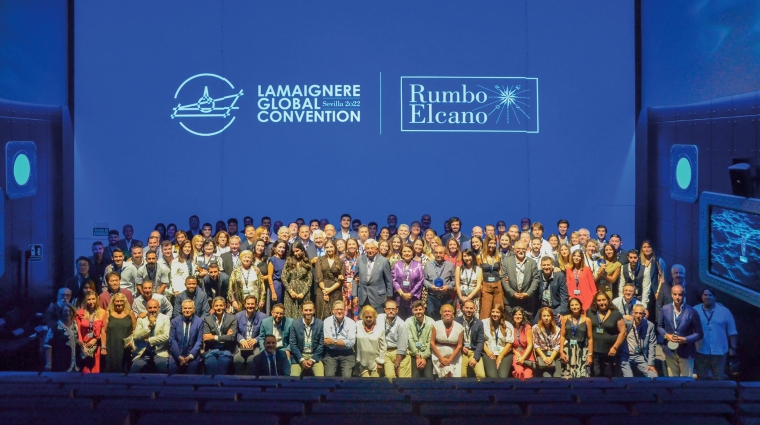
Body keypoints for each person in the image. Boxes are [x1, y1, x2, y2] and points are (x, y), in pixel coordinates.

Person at [658, 284, 703, 377]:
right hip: (670, 351)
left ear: (684, 295)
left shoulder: (691, 311)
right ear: (671, 295)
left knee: (686, 382)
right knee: (672, 381)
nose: (677, 297)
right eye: (675, 294)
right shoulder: (665, 309)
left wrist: (686, 339)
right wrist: (666, 335)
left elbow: (699, 333)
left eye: (680, 294)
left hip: (686, 352)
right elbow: (659, 326)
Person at [695, 288, 738, 379]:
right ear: (702, 297)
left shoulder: (725, 311)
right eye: (705, 295)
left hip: (720, 351)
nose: (707, 297)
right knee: (701, 378)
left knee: (718, 378)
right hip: (701, 350)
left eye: (710, 295)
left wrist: (733, 348)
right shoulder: (695, 310)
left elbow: (732, 332)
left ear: (715, 297)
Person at [588, 291, 626, 377]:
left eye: (604, 300)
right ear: (595, 302)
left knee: (608, 376)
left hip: (610, 351)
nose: (602, 303)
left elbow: (623, 332)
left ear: (608, 300)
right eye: (599, 300)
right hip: (595, 351)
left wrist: (615, 348)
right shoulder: (590, 312)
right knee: (596, 375)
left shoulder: (616, 314)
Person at [130, 298, 171, 373]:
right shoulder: (141, 319)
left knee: (163, 369)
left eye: (155, 307)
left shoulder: (165, 318)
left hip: (160, 352)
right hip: (142, 352)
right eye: (150, 308)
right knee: (134, 371)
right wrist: (149, 326)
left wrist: (149, 340)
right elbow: (135, 336)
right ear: (146, 308)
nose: (152, 310)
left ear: (159, 308)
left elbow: (166, 336)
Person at [501, 241, 540, 318]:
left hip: (527, 301)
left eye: (523, 249)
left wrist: (528, 293)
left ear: (527, 249)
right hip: (510, 300)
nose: (521, 251)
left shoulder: (532, 262)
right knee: (511, 326)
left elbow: (536, 279)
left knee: (526, 326)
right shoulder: (506, 262)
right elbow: (503, 278)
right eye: (518, 248)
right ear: (514, 250)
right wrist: (512, 293)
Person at [620, 304, 658, 378]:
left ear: (644, 314)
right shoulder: (626, 323)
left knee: (653, 375)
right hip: (625, 355)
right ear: (633, 313)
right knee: (629, 378)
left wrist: (651, 364)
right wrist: (623, 316)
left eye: (640, 313)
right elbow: (615, 318)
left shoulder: (649, 326)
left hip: (639, 356)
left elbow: (652, 345)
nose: (638, 315)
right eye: (636, 313)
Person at [354, 239, 393, 312]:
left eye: (372, 248)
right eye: (367, 248)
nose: (370, 250)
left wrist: (389, 297)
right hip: (363, 297)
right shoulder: (360, 260)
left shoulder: (383, 261)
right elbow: (355, 278)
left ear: (376, 249)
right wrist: (355, 296)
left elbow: (389, 281)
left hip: (378, 298)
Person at [101, 292, 136, 373]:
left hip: (126, 348)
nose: (119, 303)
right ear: (113, 302)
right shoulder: (108, 313)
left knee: (125, 370)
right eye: (117, 301)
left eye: (121, 301)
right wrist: (103, 347)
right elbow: (103, 331)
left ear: (124, 302)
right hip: (111, 347)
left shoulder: (130, 313)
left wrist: (132, 341)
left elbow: (134, 329)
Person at [202, 297, 238, 375]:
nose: (219, 308)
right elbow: (206, 338)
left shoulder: (232, 318)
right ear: (213, 306)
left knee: (222, 367)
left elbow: (231, 338)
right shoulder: (207, 319)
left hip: (227, 350)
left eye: (221, 305)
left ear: (225, 306)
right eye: (216, 306)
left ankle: (220, 386)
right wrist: (225, 336)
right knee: (210, 366)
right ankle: (212, 386)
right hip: (211, 350)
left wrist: (213, 337)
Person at [289, 301, 325, 377]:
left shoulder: (320, 324)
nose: (308, 312)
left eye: (310, 310)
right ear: (302, 311)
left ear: (314, 311)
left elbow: (321, 344)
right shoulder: (295, 324)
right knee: (293, 379)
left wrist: (312, 360)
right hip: (299, 356)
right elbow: (293, 344)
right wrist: (301, 360)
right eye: (306, 310)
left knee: (321, 379)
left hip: (315, 357)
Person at [233, 295, 267, 375]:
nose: (250, 306)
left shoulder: (263, 317)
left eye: (252, 304)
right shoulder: (237, 316)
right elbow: (235, 332)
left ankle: (252, 382)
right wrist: (242, 340)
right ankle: (239, 382)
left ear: (256, 305)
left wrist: (255, 340)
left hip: (256, 346)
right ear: (244, 305)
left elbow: (265, 333)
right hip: (241, 345)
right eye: (248, 304)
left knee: (252, 360)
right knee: (238, 359)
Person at [559, 298, 593, 378]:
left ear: (580, 306)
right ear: (569, 307)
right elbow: (562, 336)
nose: (574, 307)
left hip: (582, 349)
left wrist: (590, 355)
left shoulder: (587, 320)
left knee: (582, 375)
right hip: (568, 349)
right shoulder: (565, 318)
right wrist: (561, 351)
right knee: (567, 375)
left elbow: (590, 338)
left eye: (576, 304)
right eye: (572, 305)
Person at [169, 299, 204, 374]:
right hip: (177, 354)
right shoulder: (174, 321)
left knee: (192, 371)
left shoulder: (199, 322)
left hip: (192, 354)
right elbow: (172, 340)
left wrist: (191, 356)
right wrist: (179, 356)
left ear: (194, 309)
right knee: (172, 370)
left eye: (189, 308)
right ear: (182, 309)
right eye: (185, 308)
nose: (187, 310)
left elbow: (199, 341)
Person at [323, 300, 356, 378]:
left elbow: (351, 343)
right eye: (337, 309)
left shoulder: (351, 323)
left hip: (347, 354)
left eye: (341, 309)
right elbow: (327, 342)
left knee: (347, 378)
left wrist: (334, 342)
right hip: (331, 354)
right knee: (329, 377)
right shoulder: (327, 321)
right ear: (333, 311)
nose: (339, 311)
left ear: (345, 310)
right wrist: (343, 342)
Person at [257, 303, 293, 376]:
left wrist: (288, 349)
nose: (279, 316)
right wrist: (264, 350)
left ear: (284, 314)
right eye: (277, 313)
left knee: (287, 365)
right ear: (272, 312)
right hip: (268, 347)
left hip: (283, 348)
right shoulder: (265, 322)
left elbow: (292, 339)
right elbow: (261, 338)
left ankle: (284, 384)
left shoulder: (290, 322)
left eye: (281, 314)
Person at [378, 300, 411, 378]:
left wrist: (397, 364)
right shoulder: (379, 318)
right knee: (390, 377)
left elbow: (402, 346)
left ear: (397, 310)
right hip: (386, 352)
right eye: (388, 309)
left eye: (393, 309)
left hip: (400, 353)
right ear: (385, 310)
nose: (391, 311)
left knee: (404, 380)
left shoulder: (401, 324)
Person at [454, 300, 485, 378]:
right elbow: (453, 338)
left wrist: (476, 358)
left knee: (481, 375)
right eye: (467, 308)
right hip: (461, 352)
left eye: (471, 308)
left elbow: (480, 341)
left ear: (474, 309)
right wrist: (461, 347)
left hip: (473, 351)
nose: (469, 310)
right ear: (463, 308)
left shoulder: (479, 323)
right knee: (461, 375)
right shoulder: (456, 321)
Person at [392, 244, 424, 319]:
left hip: (413, 298)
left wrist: (411, 294)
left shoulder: (418, 265)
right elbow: (393, 280)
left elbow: (421, 280)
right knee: (400, 318)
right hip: (399, 298)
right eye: (405, 251)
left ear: (412, 252)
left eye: (409, 251)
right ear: (401, 253)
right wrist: (401, 293)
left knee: (413, 319)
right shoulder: (396, 265)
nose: (407, 253)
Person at [44, 303, 80, 372]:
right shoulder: (54, 327)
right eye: (65, 311)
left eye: (70, 311)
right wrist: (49, 363)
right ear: (61, 313)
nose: (68, 313)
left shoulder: (76, 326)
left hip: (75, 365)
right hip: (60, 363)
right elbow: (48, 346)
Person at [282, 242, 314, 319]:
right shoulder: (288, 261)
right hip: (290, 293)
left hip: (303, 293)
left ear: (302, 250)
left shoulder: (307, 262)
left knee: (303, 314)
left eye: (297, 251)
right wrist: (290, 291)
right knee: (290, 314)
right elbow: (283, 277)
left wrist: (303, 293)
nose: (296, 253)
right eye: (294, 252)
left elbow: (310, 280)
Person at [431, 304, 463, 378]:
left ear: (453, 313)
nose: (447, 313)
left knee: (453, 379)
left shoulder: (460, 327)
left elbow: (459, 345)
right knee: (443, 378)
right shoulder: (436, 325)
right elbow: (432, 343)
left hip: (454, 358)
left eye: (449, 311)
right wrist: (441, 359)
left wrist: (450, 360)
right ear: (441, 314)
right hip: (439, 356)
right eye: (445, 311)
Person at [314, 239, 344, 320]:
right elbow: (319, 277)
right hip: (322, 290)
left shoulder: (341, 261)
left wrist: (329, 290)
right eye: (327, 247)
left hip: (335, 291)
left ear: (335, 248)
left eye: (331, 247)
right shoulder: (320, 260)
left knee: (336, 315)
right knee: (322, 315)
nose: (329, 249)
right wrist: (325, 292)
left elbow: (340, 280)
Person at [424, 245, 456, 320]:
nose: (438, 255)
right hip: (432, 298)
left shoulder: (450, 265)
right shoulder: (428, 265)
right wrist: (431, 286)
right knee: (432, 320)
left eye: (440, 253)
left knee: (446, 320)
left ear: (444, 254)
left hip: (446, 297)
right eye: (436, 253)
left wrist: (448, 287)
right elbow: (424, 280)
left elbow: (454, 280)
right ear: (433, 253)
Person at [481, 305, 513, 378]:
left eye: (497, 312)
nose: (495, 314)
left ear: (501, 313)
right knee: (493, 376)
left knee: (502, 376)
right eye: (493, 312)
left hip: (504, 354)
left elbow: (509, 343)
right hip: (488, 352)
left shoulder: (508, 325)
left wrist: (500, 357)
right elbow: (481, 340)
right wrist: (489, 353)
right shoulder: (483, 323)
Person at [76, 292, 105, 373]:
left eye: (93, 299)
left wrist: (95, 339)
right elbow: (78, 331)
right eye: (89, 299)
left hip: (96, 347)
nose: (91, 301)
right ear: (85, 300)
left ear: (97, 299)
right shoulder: (80, 313)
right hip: (84, 347)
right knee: (85, 371)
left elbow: (104, 331)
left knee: (96, 370)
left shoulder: (103, 313)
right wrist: (82, 346)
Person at [355, 305, 386, 377]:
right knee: (365, 385)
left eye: (370, 317)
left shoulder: (380, 328)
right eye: (366, 317)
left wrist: (380, 362)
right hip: (362, 361)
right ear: (362, 317)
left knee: (374, 384)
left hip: (376, 362)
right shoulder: (357, 325)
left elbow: (383, 346)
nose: (368, 319)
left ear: (375, 317)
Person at [406, 300, 435, 378]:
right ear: (412, 311)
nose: (418, 312)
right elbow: (410, 340)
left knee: (429, 377)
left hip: (427, 354)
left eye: (420, 309)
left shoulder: (431, 322)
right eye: (416, 310)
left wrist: (424, 358)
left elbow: (430, 341)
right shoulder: (408, 322)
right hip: (414, 354)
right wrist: (418, 357)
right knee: (415, 377)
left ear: (424, 310)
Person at [537, 256, 569, 325]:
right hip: (541, 307)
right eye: (544, 265)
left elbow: (564, 296)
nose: (546, 267)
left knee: (559, 323)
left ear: (552, 265)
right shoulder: (537, 275)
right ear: (541, 266)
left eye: (548, 265)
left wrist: (562, 312)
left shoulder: (559, 276)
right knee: (535, 324)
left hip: (555, 307)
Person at [479, 236, 504, 321]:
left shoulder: (499, 256)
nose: (492, 245)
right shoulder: (480, 257)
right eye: (490, 243)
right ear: (486, 244)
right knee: (485, 311)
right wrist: (481, 285)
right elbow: (480, 272)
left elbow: (500, 270)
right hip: (486, 286)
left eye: (494, 243)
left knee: (499, 309)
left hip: (497, 285)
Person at [532, 307, 562, 377]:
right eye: (544, 316)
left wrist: (551, 358)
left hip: (554, 355)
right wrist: (544, 358)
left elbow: (558, 345)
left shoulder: (557, 329)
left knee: (557, 377)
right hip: (542, 355)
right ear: (541, 318)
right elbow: (535, 344)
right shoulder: (535, 328)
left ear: (551, 317)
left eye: (548, 316)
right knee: (547, 377)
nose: (546, 318)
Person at [456, 249, 482, 317]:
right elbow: (457, 284)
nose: (467, 258)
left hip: (473, 297)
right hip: (462, 297)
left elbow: (478, 285)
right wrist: (461, 297)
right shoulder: (459, 268)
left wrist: (469, 297)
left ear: (472, 256)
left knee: (474, 317)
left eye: (469, 256)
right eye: (464, 256)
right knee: (460, 317)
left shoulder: (478, 269)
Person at [342, 238, 360, 320]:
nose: (351, 246)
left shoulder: (362, 258)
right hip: (345, 290)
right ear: (346, 246)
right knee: (346, 313)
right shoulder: (342, 258)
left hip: (358, 289)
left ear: (357, 246)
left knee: (356, 312)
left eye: (353, 244)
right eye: (349, 244)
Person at [267, 240, 288, 313]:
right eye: (280, 247)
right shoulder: (272, 259)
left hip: (285, 286)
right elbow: (270, 277)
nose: (282, 249)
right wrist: (273, 292)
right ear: (275, 248)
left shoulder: (286, 259)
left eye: (283, 247)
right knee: (277, 307)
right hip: (277, 286)